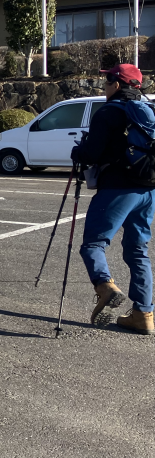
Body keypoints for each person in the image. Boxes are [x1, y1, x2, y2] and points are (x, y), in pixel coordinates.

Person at [72, 63, 155, 335]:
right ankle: (143, 314)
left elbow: (92, 153)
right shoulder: (149, 113)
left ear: (117, 85)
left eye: (107, 82)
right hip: (148, 190)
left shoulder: (107, 112)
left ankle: (105, 287)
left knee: (93, 243)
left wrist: (78, 152)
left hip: (117, 189)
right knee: (137, 251)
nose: (105, 87)